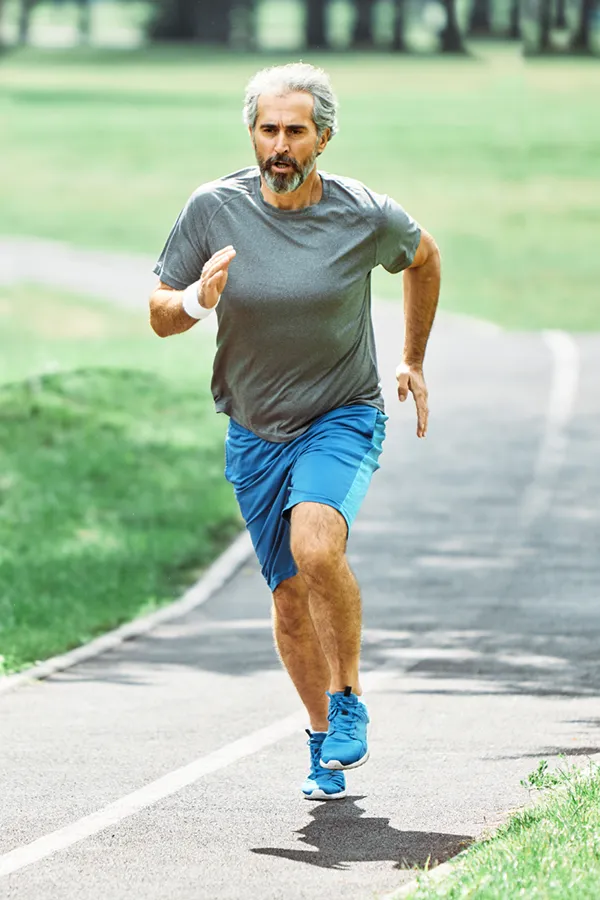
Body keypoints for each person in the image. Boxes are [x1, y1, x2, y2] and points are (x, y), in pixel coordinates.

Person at [149, 63, 440, 801]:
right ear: (252, 133)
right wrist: (196, 299)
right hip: (253, 427)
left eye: (296, 131)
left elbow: (424, 258)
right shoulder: (212, 208)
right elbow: (158, 313)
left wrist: (411, 358)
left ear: (324, 138)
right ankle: (319, 738)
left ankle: (348, 699)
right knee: (286, 597)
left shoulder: (363, 215)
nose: (280, 146)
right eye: (268, 130)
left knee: (316, 545)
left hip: (341, 413)